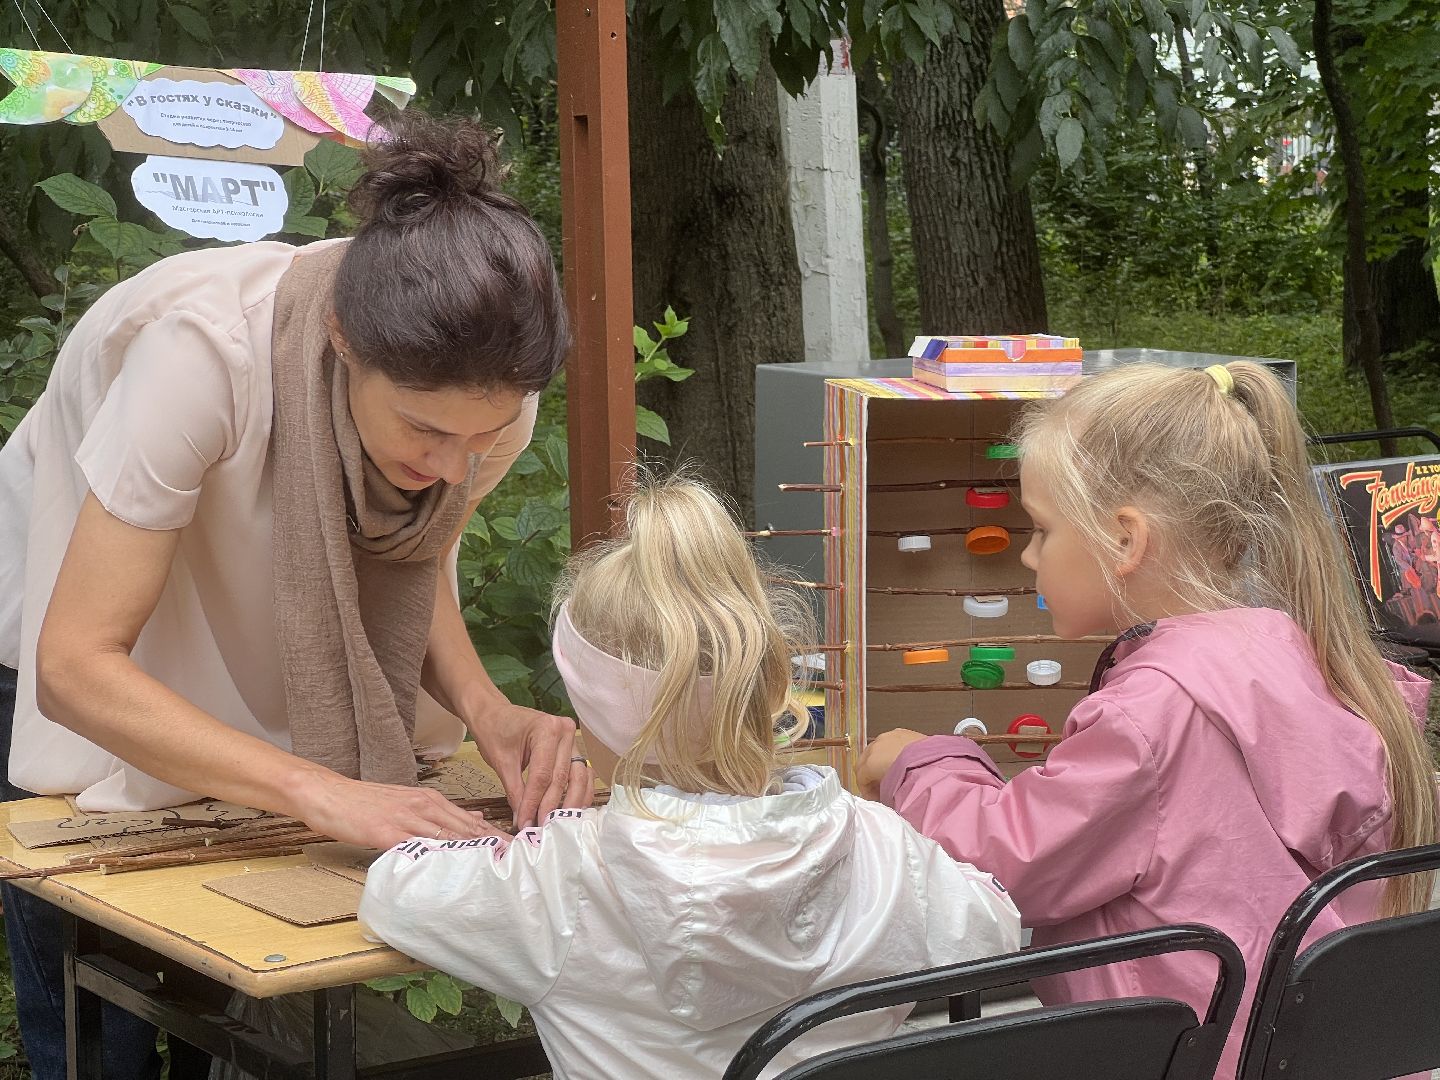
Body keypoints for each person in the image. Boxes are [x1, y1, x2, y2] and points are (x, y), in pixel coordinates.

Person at [0, 115, 591, 1080]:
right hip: (58, 636)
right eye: (424, 431)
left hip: (236, 624)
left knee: (204, 998)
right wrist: (323, 790)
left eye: (477, 441)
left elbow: (411, 563)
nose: (453, 467)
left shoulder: (489, 409)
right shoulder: (200, 354)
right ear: (343, 337)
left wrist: (488, 712)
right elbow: (75, 668)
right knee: (97, 1023)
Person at [857, 361, 1439, 1079]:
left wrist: (924, 763)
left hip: (1196, 1060)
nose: (1031, 556)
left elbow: (1008, 862)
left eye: (1040, 530)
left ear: (1126, 540)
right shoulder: (1306, 656)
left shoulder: (1153, 715)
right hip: (1314, 1053)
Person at [360, 474, 1021, 1080]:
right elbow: (991, 923)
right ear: (765, 690)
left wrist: (524, 840)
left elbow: (394, 894)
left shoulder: (564, 878)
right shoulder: (880, 847)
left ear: (599, 717)